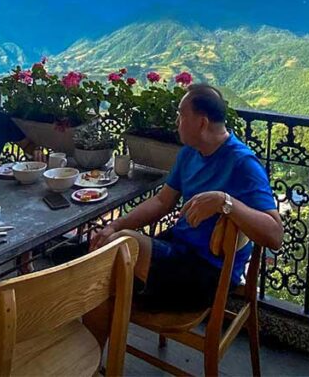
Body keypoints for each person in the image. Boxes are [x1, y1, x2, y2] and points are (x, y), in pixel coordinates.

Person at [89, 83, 283, 311]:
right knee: (103, 273)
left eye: (181, 116)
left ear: (202, 123)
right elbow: (162, 201)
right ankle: (85, 341)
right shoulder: (190, 153)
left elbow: (275, 235)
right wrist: (116, 224)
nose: (176, 122)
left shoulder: (242, 164)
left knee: (121, 246)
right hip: (179, 251)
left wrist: (225, 202)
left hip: (209, 274)